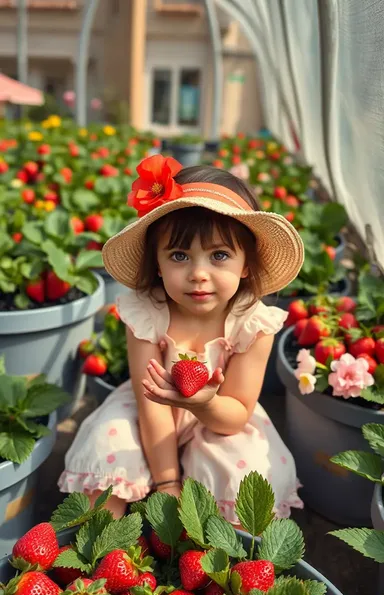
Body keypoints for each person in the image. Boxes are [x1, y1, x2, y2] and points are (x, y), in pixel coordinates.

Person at [58, 155, 305, 524]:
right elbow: (150, 403)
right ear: (157, 263)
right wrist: (167, 481)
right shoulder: (148, 312)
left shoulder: (253, 324)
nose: (198, 274)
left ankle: (223, 556)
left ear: (247, 264)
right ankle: (102, 547)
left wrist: (204, 404)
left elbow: (235, 414)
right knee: (109, 444)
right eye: (179, 255)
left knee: (248, 471)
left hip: (219, 411)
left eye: (219, 255)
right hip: (152, 405)